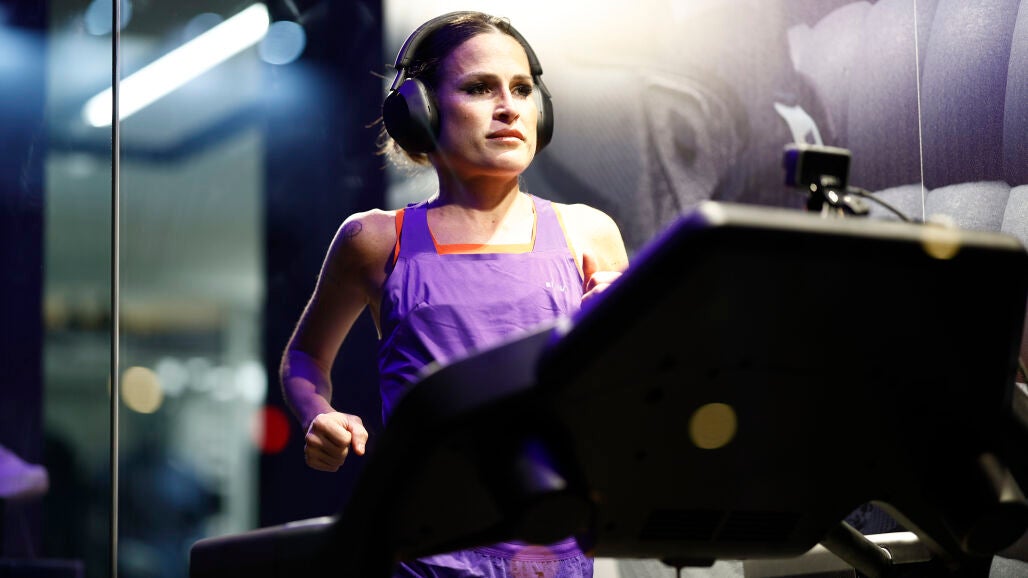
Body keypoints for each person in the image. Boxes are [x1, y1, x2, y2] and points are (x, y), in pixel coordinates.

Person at [280, 11, 628, 578]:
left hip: (554, 555)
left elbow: (627, 402)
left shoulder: (588, 233)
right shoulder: (374, 240)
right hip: (421, 559)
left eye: (522, 89)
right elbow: (304, 356)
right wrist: (318, 414)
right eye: (479, 88)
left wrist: (611, 341)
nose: (509, 107)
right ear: (419, 110)